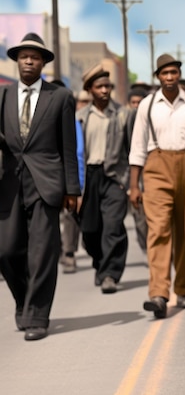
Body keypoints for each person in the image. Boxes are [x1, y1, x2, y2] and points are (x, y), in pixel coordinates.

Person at [0, 33, 80, 341]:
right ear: (17, 61)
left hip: (46, 184)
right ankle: (24, 302)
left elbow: (68, 147)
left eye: (34, 57)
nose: (28, 61)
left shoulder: (59, 97)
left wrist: (72, 188)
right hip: (9, 183)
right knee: (6, 251)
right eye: (23, 56)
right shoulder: (4, 96)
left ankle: (37, 317)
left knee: (43, 253)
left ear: (43, 62)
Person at [129, 54, 185, 318]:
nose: (169, 77)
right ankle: (158, 293)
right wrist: (134, 185)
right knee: (158, 229)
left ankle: (184, 288)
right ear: (158, 77)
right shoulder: (147, 105)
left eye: (173, 72)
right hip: (156, 166)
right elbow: (137, 147)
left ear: (179, 74)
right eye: (164, 73)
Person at [76, 63, 133, 293]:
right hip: (88, 177)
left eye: (107, 86)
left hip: (114, 177)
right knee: (90, 231)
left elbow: (131, 149)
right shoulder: (80, 117)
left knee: (112, 226)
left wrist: (127, 182)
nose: (104, 90)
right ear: (90, 90)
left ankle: (110, 273)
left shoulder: (123, 115)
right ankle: (100, 264)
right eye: (99, 87)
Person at [58, 87, 88, 274]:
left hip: (69, 179)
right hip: (47, 178)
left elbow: (78, 154)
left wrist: (78, 186)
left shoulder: (74, 121)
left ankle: (68, 253)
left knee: (70, 216)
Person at [126, 87, 149, 255]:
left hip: (153, 173)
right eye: (133, 102)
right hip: (133, 176)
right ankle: (147, 249)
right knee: (139, 218)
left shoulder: (154, 119)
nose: (136, 106)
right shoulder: (124, 121)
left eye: (139, 102)